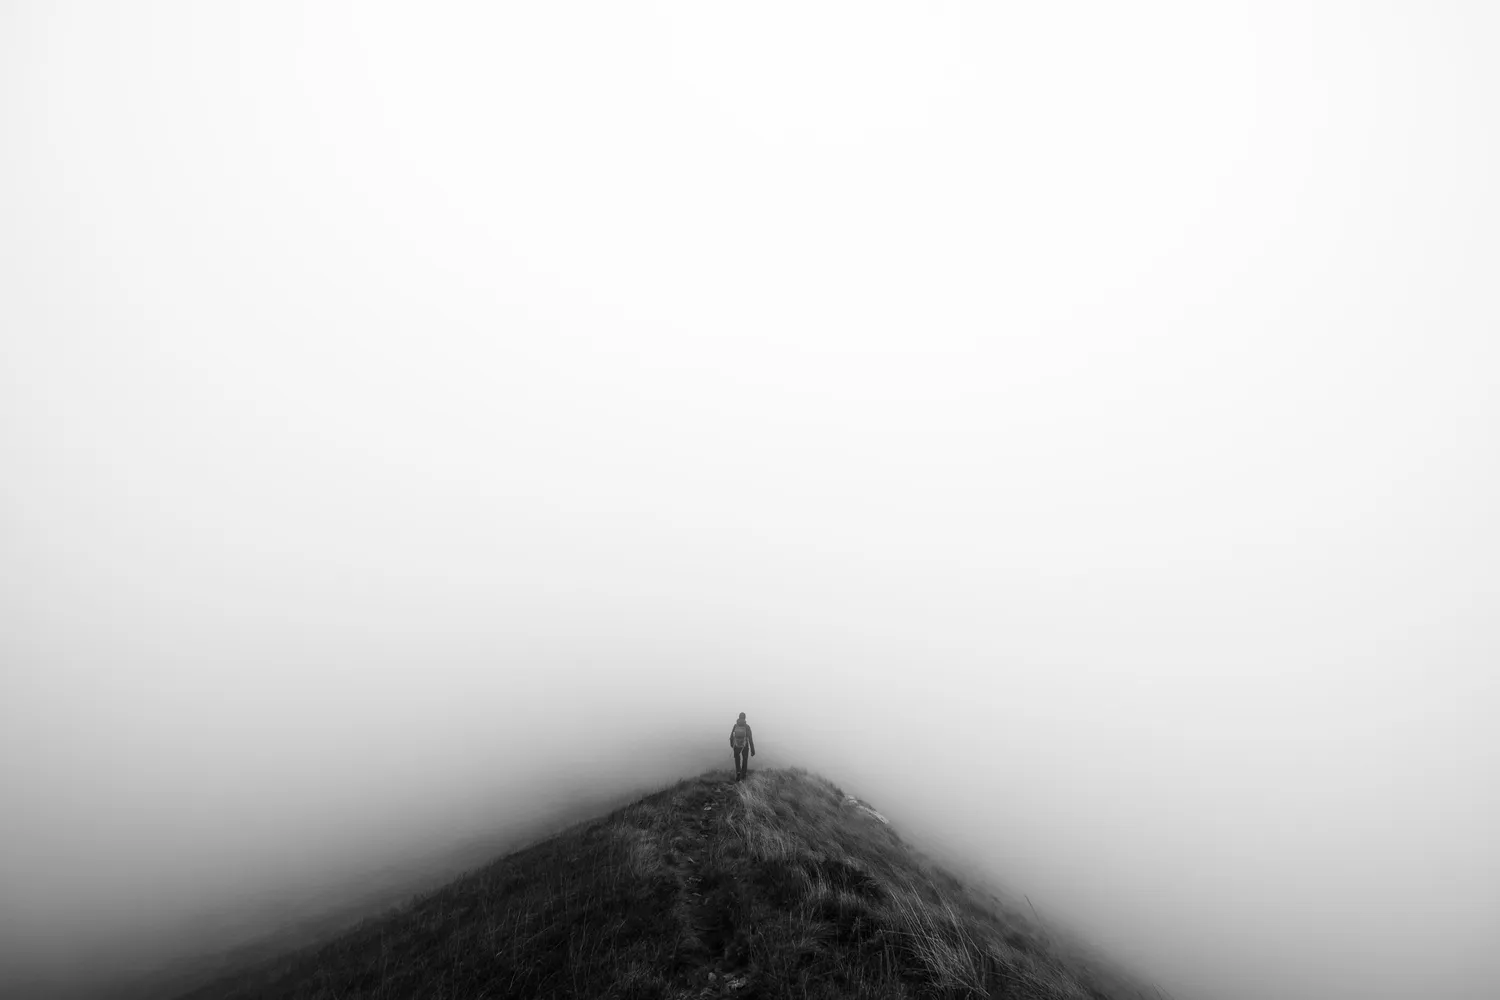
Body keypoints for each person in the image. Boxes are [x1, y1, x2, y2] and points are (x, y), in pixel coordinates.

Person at [730, 712, 755, 781]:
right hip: (745, 746)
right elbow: (750, 739)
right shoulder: (747, 727)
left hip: (736, 745)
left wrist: (733, 745)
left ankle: (738, 772)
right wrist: (753, 750)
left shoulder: (735, 726)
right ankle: (743, 775)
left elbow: (731, 737)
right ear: (745, 718)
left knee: (737, 759)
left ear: (739, 717)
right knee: (745, 760)